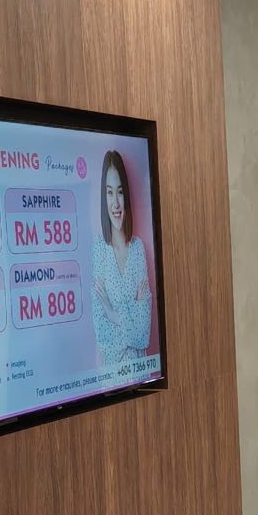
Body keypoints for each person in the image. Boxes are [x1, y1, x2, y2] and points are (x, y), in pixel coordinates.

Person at [91, 150, 152, 366]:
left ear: (126, 195)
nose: (115, 203)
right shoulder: (99, 249)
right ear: (103, 197)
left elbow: (143, 335)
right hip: (112, 380)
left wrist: (113, 312)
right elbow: (103, 336)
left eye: (120, 192)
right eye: (109, 193)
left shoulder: (138, 249)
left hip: (142, 373)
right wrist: (131, 310)